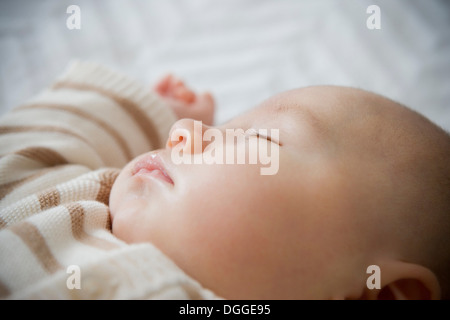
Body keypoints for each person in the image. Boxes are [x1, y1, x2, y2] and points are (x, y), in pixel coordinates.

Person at [0, 61, 449, 300]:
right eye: (224, 126)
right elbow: (28, 150)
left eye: (254, 137)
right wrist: (144, 111)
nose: (182, 136)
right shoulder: (70, 207)